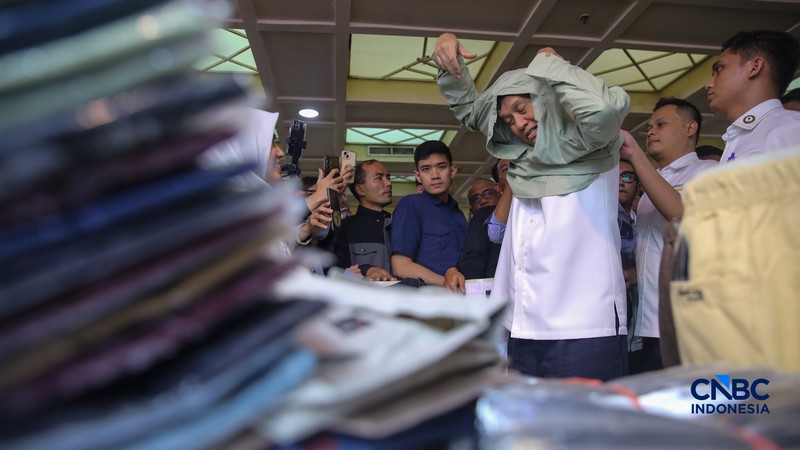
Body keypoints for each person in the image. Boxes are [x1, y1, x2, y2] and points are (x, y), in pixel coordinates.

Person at [434, 33, 629, 380]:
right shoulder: (524, 159)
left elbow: (603, 110)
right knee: (528, 432)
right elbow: (471, 110)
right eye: (508, 120)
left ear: (546, 96)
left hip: (584, 325)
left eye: (522, 109)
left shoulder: (593, 141)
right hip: (524, 324)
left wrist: (550, 66)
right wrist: (449, 56)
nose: (518, 124)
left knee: (585, 430)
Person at [620, 98, 716, 373]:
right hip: (648, 322)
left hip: (685, 322)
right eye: (648, 126)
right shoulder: (653, 183)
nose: (650, 131)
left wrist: (636, 156)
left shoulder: (705, 171)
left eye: (660, 124)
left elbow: (681, 215)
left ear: (690, 128)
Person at [705, 30, 800, 163]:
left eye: (719, 69)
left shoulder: (792, 129)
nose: (708, 84)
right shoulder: (738, 137)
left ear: (755, 67)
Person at [390, 141, 467, 286]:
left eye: (441, 167)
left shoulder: (458, 214)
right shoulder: (411, 205)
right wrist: (447, 283)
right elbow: (401, 266)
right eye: (426, 169)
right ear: (418, 176)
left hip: (462, 300)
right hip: (426, 300)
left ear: (453, 170)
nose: (435, 175)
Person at [333, 160, 396, 281]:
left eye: (388, 177)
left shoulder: (399, 223)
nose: (388, 183)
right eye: (378, 178)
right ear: (360, 190)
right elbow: (336, 274)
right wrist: (365, 270)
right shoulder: (345, 229)